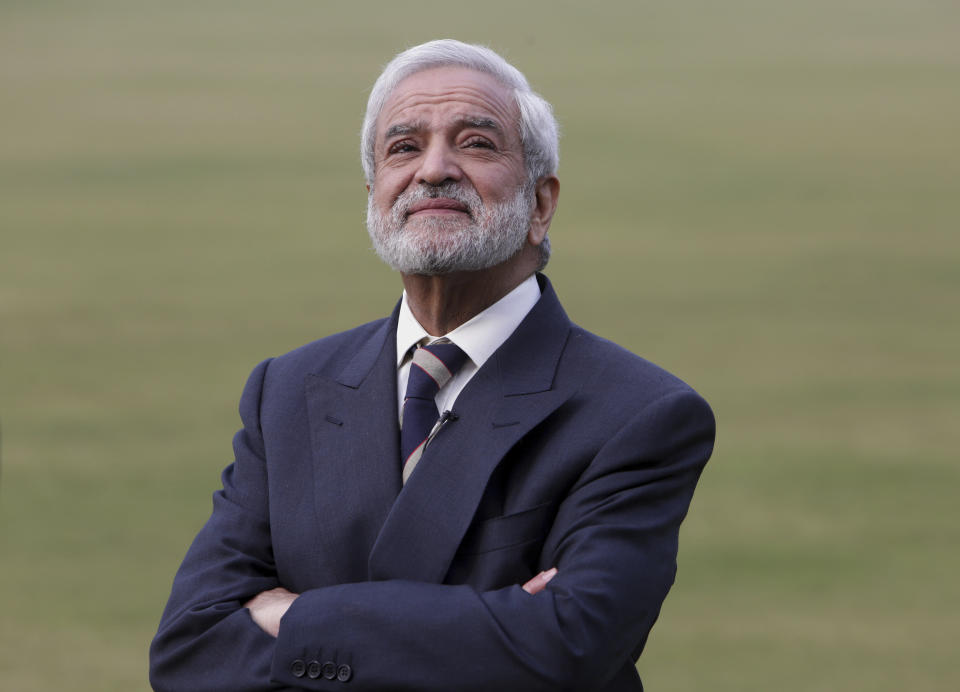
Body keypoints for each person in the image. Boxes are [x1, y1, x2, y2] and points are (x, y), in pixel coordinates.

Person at [150, 39, 715, 692]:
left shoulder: (638, 413)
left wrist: (295, 615)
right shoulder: (286, 391)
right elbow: (190, 653)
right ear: (374, 194)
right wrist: (489, 624)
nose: (434, 170)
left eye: (475, 143)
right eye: (404, 147)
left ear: (541, 203)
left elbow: (568, 648)